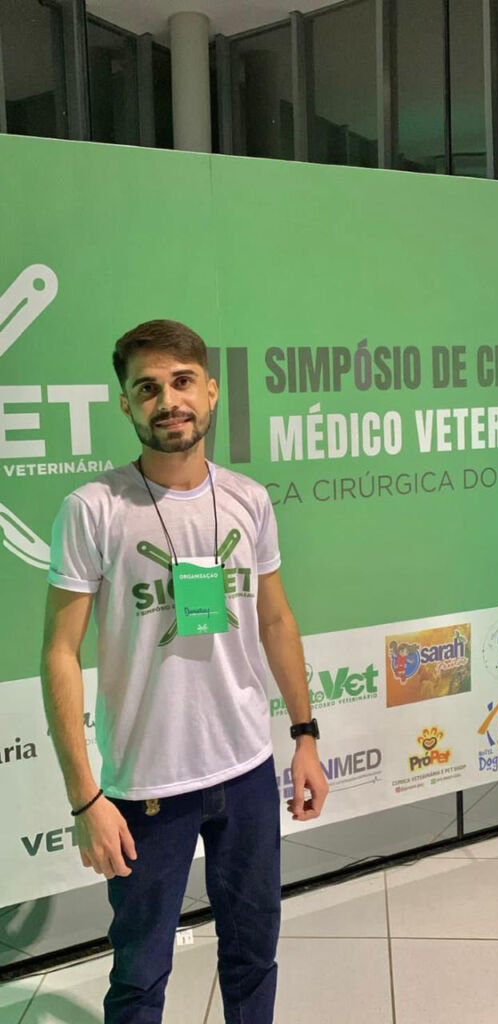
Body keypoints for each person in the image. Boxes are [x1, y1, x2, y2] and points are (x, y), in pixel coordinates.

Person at [41, 319, 329, 1024]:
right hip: (147, 787)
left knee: (254, 953)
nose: (168, 401)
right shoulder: (93, 510)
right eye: (148, 388)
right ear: (126, 404)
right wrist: (84, 798)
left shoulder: (249, 499)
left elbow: (275, 621)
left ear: (211, 391)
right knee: (140, 975)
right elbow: (58, 652)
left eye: (181, 382)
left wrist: (305, 735)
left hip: (246, 770)